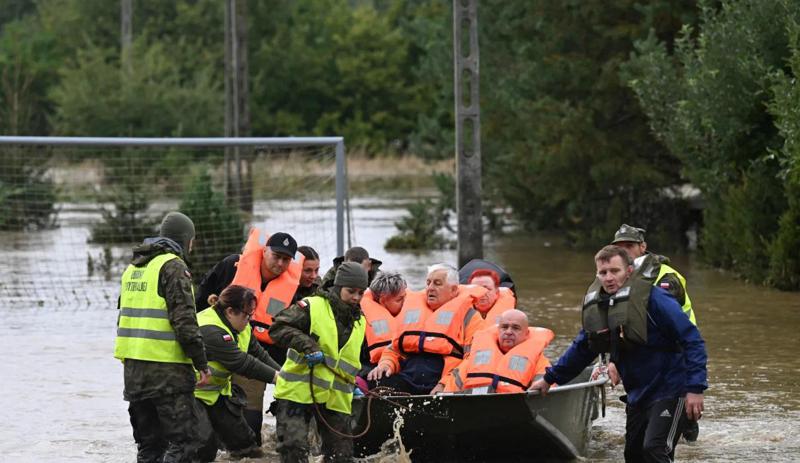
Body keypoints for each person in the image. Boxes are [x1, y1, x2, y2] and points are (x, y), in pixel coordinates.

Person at [529, 245, 708, 463]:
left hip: (672, 388)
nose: (609, 278)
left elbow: (693, 340)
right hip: (638, 393)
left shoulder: (655, 299)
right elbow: (583, 348)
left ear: (629, 271)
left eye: (615, 271)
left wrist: (695, 388)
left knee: (654, 449)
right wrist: (549, 379)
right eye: (603, 272)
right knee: (633, 455)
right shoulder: (600, 305)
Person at [114, 211, 211, 463]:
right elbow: (185, 322)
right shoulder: (173, 266)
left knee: (150, 447)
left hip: (134, 374)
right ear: (186, 239)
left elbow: (122, 320)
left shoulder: (133, 268)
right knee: (185, 442)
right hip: (168, 374)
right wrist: (201, 363)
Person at [194, 228, 300, 445]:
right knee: (205, 436)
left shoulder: (292, 289)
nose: (280, 263)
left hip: (254, 356)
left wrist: (282, 372)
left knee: (249, 429)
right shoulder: (231, 266)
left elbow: (263, 349)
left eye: (286, 260)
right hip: (215, 354)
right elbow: (201, 297)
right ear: (265, 251)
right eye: (276, 256)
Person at [269, 262, 369, 463]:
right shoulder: (312, 306)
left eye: (361, 293)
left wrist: (354, 384)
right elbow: (278, 327)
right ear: (338, 287)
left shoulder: (361, 321)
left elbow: (355, 359)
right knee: (293, 451)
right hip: (297, 392)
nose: (356, 297)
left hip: (336, 398)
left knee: (341, 457)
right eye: (351, 291)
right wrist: (308, 346)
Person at [612, 223, 701, 442]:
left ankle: (687, 425)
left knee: (672, 411)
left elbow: (661, 320)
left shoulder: (666, 277)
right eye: (619, 247)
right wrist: (613, 358)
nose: (624, 251)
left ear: (642, 247)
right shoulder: (616, 277)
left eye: (629, 246)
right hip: (643, 349)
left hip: (676, 348)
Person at [367, 263, 487, 395]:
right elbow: (394, 348)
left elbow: (473, 358)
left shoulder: (470, 317)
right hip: (408, 378)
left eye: (437, 283)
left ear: (453, 290)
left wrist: (445, 384)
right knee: (376, 380)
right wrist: (386, 364)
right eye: (428, 283)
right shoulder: (413, 311)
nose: (430, 288)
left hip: (442, 382)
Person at [194, 285, 282, 461]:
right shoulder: (209, 329)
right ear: (230, 312)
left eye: (251, 315)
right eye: (247, 315)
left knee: (247, 446)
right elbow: (243, 362)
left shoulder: (242, 327)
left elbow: (259, 354)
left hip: (217, 394)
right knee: (204, 447)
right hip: (192, 395)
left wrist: (283, 373)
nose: (249, 320)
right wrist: (277, 378)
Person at [442, 309, 553, 393]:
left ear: (526, 334)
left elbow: (546, 390)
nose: (508, 332)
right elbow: (449, 391)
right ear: (498, 330)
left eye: (515, 328)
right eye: (504, 327)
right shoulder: (475, 358)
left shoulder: (539, 362)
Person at [358, 272, 407, 377]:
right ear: (383, 301)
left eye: (405, 297)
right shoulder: (362, 322)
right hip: (373, 370)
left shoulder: (408, 317)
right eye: (399, 300)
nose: (405, 302)